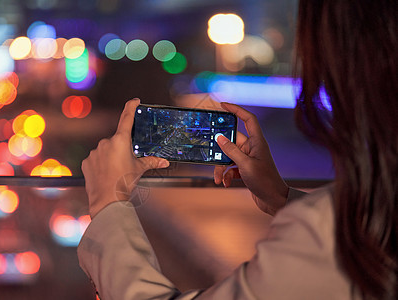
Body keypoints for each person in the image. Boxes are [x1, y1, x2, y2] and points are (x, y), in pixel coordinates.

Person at [78, 1, 397, 299]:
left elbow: (336, 240)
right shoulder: (361, 213)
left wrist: (109, 203)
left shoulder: (326, 234)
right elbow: (372, 229)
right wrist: (282, 198)